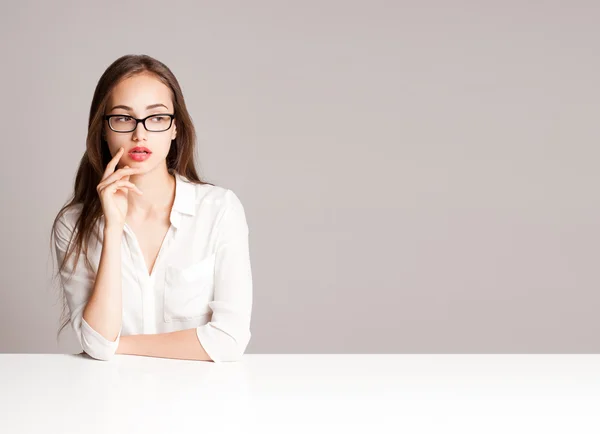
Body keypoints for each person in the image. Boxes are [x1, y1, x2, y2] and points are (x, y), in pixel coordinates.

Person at [49, 54, 253, 362]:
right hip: (107, 402)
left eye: (157, 118)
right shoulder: (73, 223)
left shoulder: (219, 210)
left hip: (202, 402)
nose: (139, 133)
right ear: (103, 129)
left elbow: (228, 339)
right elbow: (98, 338)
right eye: (123, 117)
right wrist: (113, 227)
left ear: (175, 129)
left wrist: (118, 345)